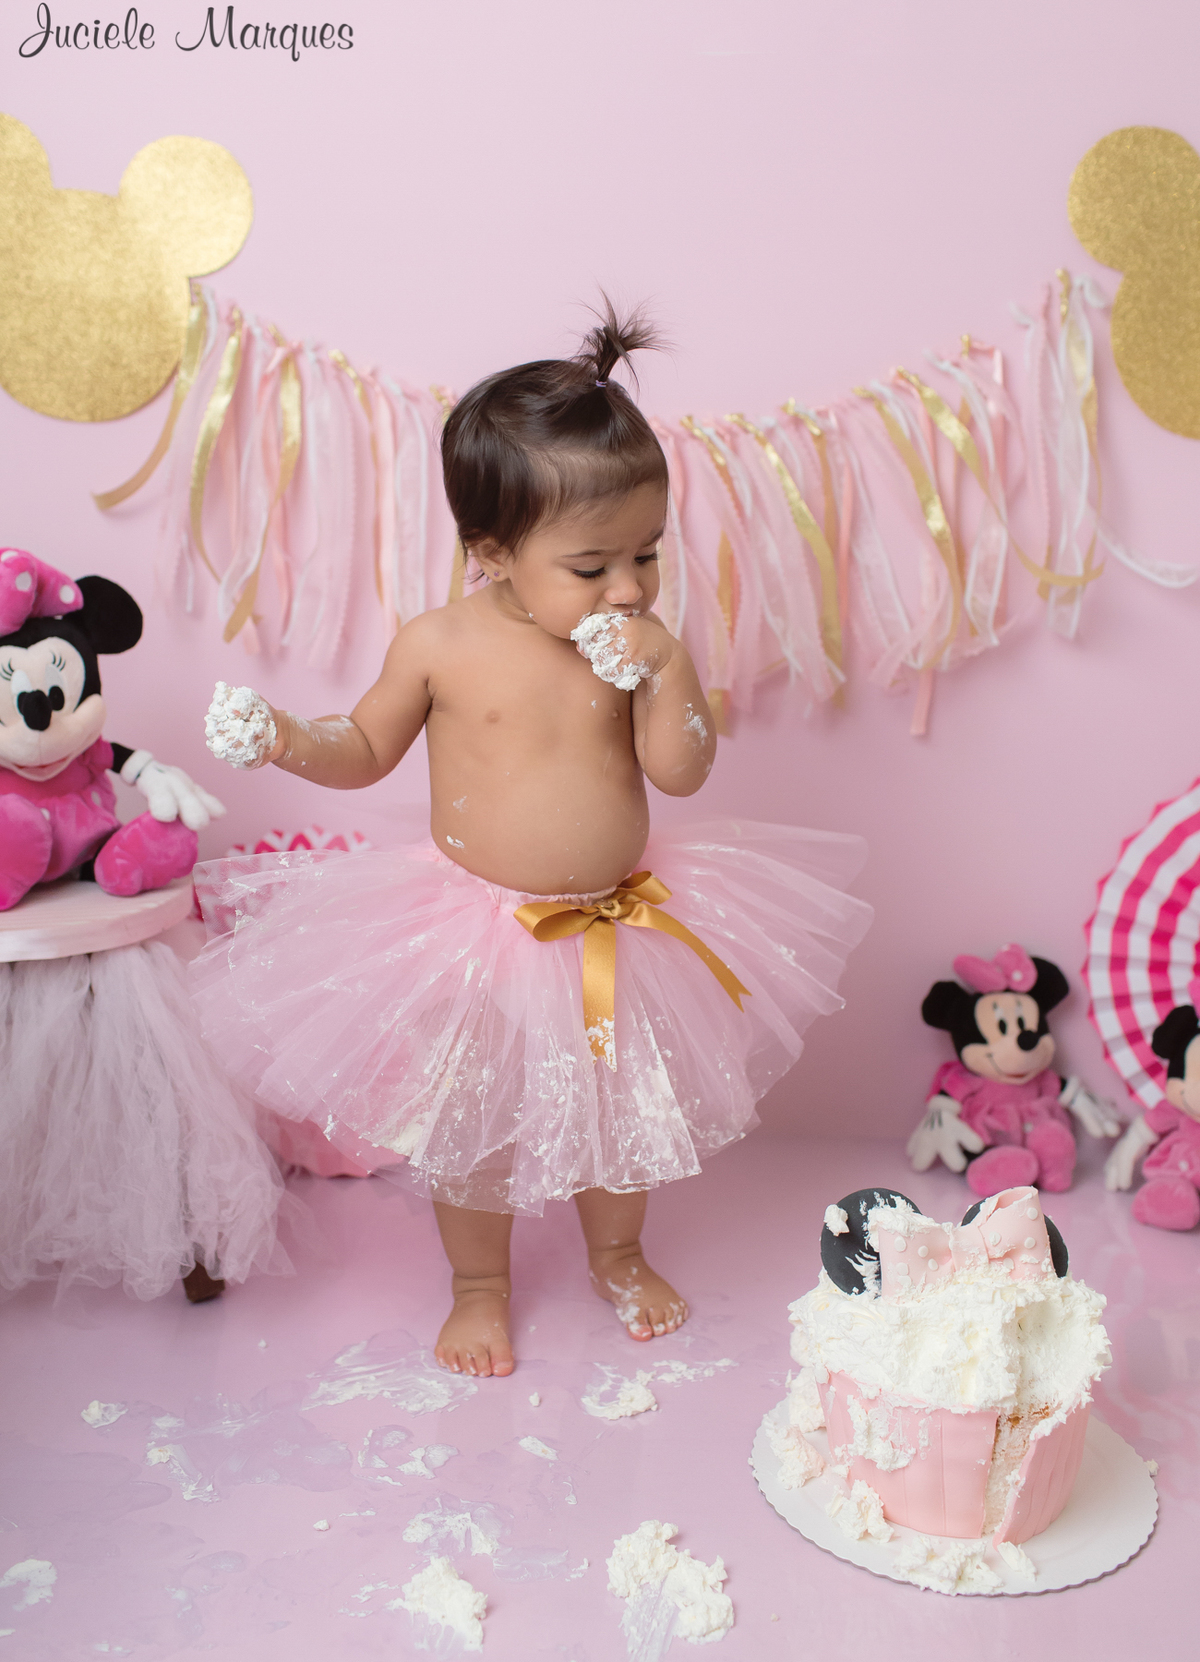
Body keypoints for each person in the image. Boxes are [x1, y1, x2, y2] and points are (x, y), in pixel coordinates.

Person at [194, 305, 871, 1377]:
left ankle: (619, 1256)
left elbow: (681, 771)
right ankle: (479, 1286)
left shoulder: (636, 646)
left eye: (647, 554)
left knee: (620, 1112)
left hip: (614, 924)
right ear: (493, 553)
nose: (630, 588)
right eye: (592, 566)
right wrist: (283, 737)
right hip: (476, 933)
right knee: (476, 1125)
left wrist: (668, 670)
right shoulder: (439, 644)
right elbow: (363, 748)